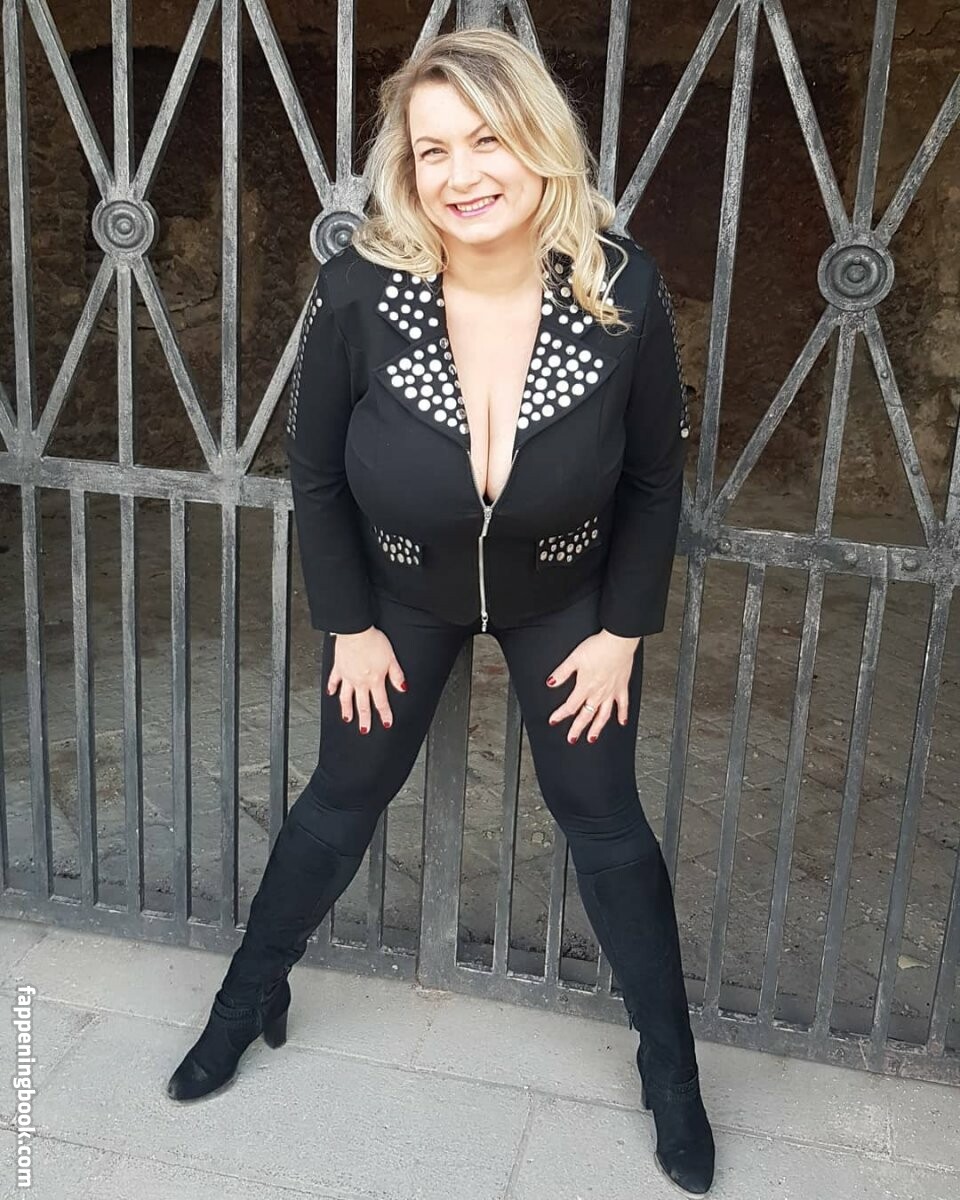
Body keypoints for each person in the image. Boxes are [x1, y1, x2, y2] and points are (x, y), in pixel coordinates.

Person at [166, 26, 712, 1197]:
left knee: (606, 823)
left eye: (486, 140)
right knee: (339, 799)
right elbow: (314, 473)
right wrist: (348, 624)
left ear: (539, 142)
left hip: (564, 592)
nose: (461, 174)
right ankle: (247, 997)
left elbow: (655, 478)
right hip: (402, 591)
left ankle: (672, 1074)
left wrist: (621, 634)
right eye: (432, 150)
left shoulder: (621, 286)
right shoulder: (361, 288)